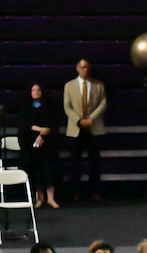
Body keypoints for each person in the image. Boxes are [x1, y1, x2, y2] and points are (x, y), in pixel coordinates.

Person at [63, 58, 105, 202]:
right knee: (75, 162)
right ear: (77, 68)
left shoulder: (98, 85)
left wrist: (91, 119)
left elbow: (103, 103)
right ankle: (76, 192)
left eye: (87, 67)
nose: (85, 70)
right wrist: (79, 120)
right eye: (82, 67)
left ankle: (95, 192)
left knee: (95, 162)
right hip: (76, 128)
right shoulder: (69, 86)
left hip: (94, 127)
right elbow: (67, 106)